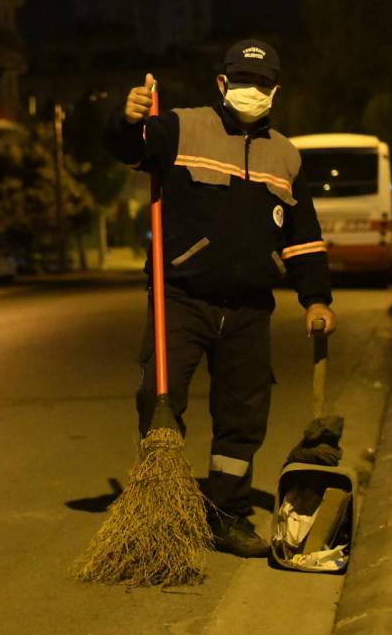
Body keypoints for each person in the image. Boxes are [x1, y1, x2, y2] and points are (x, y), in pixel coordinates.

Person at [103, 38, 337, 558]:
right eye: (242, 80)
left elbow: (303, 238)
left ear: (275, 90)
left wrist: (316, 299)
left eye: (261, 83)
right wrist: (125, 116)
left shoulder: (287, 156)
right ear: (221, 83)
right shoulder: (183, 128)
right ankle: (165, 508)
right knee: (158, 398)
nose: (251, 91)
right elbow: (126, 147)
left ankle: (227, 516)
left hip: (251, 307)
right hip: (181, 297)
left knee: (243, 415)